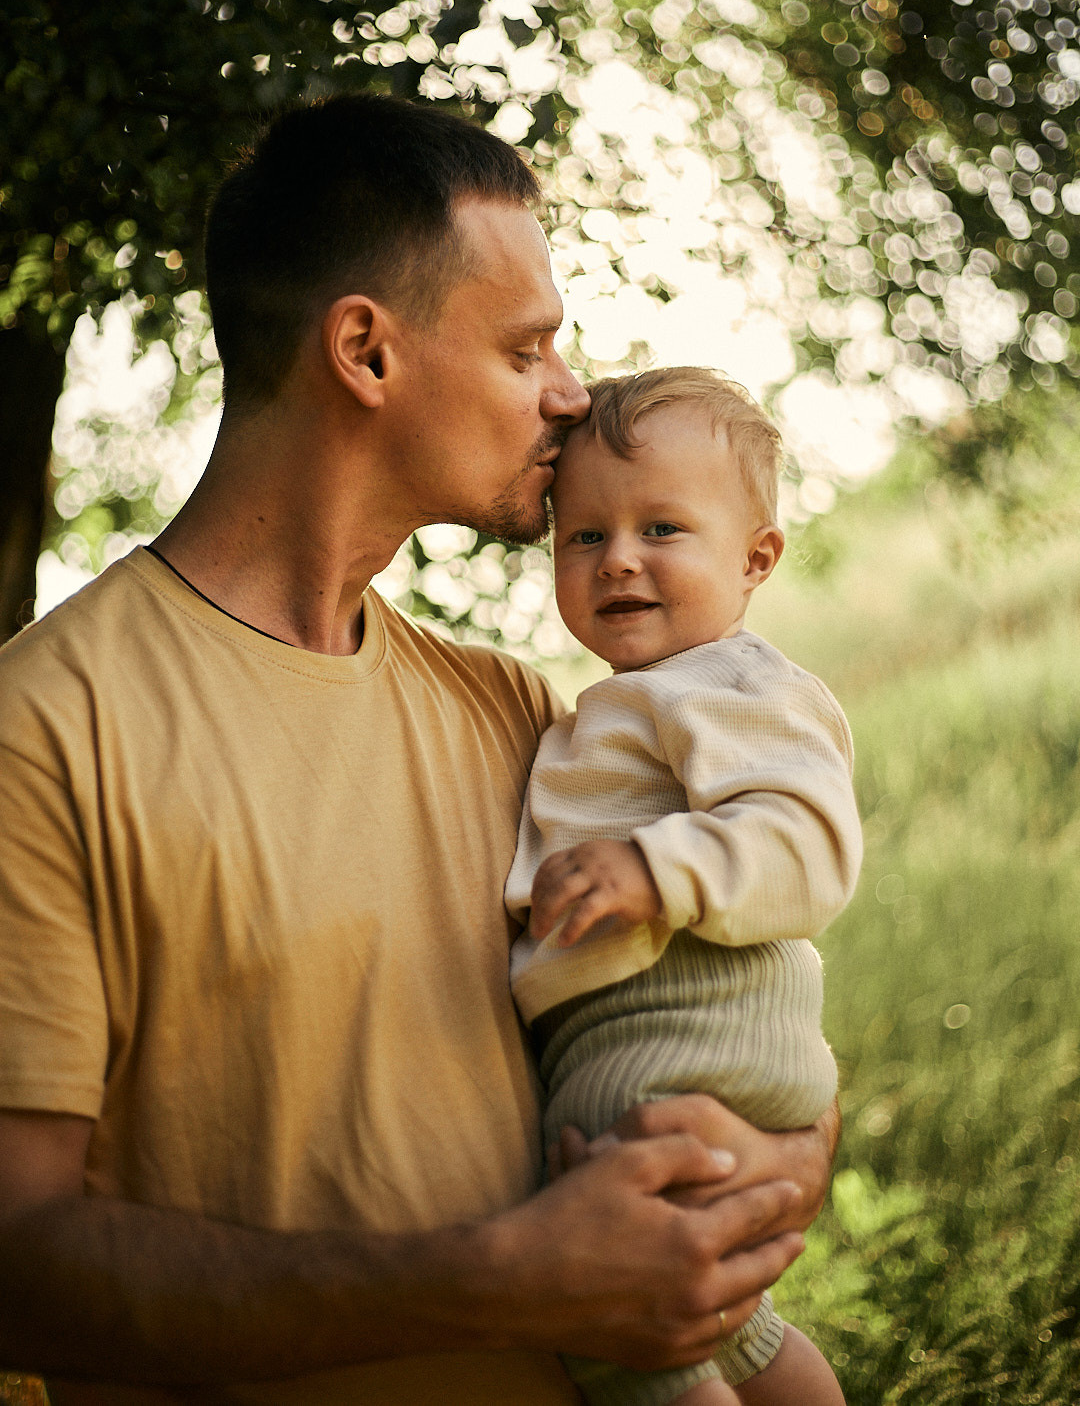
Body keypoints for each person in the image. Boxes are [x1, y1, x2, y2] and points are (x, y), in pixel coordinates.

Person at [0, 95, 836, 1406]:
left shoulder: (513, 715)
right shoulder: (44, 731)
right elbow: (18, 1263)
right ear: (365, 352)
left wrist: (786, 1164)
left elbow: (720, 1008)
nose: (571, 396)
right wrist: (506, 1279)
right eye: (527, 348)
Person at [505, 369, 863, 1406]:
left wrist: (656, 868)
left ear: (756, 559)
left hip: (668, 1058)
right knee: (731, 1331)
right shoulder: (633, 702)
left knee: (623, 1341)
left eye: (662, 528)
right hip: (675, 1055)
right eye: (583, 537)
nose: (618, 558)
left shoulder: (737, 683)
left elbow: (810, 844)